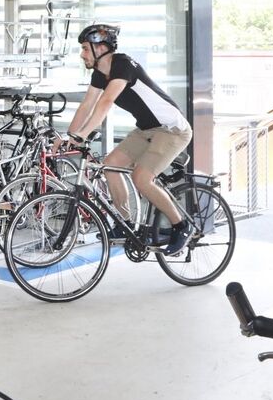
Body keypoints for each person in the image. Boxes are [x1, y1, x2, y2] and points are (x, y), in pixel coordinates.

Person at [64, 23, 195, 254]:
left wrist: (82, 135)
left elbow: (105, 102)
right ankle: (125, 224)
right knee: (110, 165)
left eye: (85, 48)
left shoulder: (122, 65)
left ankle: (181, 226)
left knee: (142, 179)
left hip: (171, 129)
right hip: (145, 129)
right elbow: (86, 105)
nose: (82, 54)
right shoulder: (99, 74)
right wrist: (70, 137)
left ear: (100, 48)